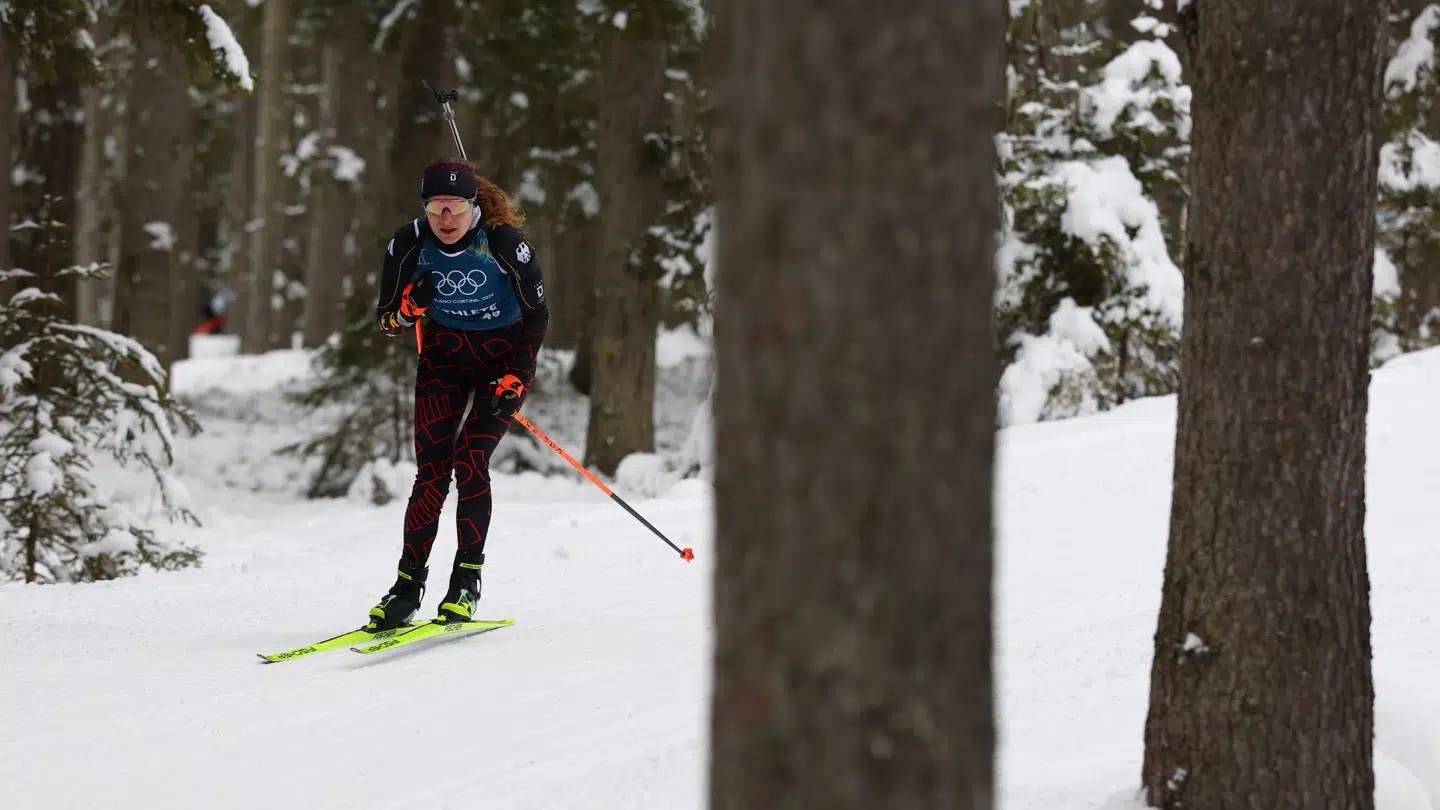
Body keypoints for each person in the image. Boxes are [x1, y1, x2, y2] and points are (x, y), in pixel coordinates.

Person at [367, 159, 548, 630]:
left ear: (473, 207)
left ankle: (466, 581)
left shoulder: (504, 243)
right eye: (435, 207)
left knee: (471, 459)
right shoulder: (407, 243)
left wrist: (517, 375)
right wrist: (409, 310)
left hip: (503, 358)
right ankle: (406, 588)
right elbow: (387, 320)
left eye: (456, 208)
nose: (446, 219)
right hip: (445, 357)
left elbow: (537, 317)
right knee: (431, 471)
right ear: (424, 208)